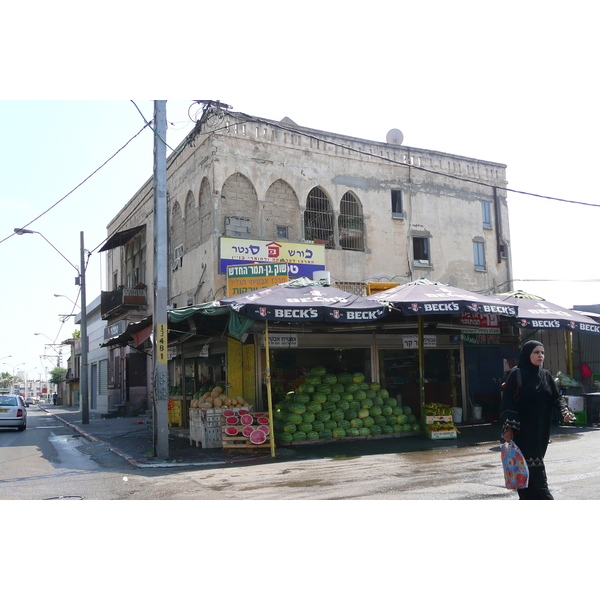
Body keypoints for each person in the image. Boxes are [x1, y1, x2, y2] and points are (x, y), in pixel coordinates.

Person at [500, 340, 575, 500]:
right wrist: (509, 428)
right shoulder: (517, 374)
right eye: (536, 352)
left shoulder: (546, 376)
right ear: (527, 354)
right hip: (523, 432)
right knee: (537, 475)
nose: (540, 355)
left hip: (541, 432)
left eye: (542, 352)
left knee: (526, 475)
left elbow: (557, 398)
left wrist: (564, 411)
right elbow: (508, 401)